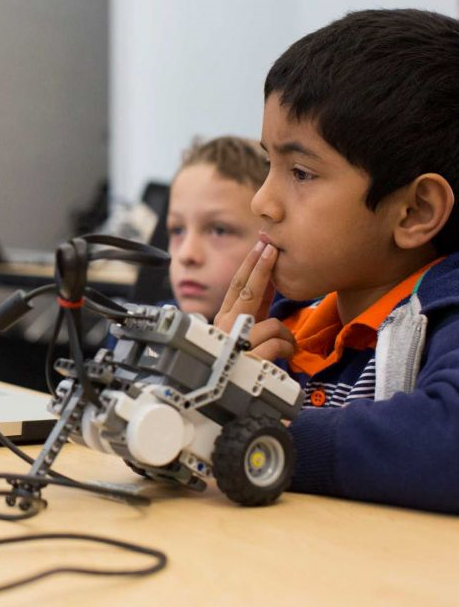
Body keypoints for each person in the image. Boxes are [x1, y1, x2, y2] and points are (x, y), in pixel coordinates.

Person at [214, 9, 459, 513]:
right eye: (269, 164)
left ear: (414, 211)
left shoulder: (446, 310)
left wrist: (256, 438)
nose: (263, 201)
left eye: (301, 173)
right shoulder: (290, 322)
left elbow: (447, 440)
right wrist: (214, 379)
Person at [167, 136, 267, 321]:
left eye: (219, 230)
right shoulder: (137, 331)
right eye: (177, 230)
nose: (186, 255)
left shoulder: (302, 339)